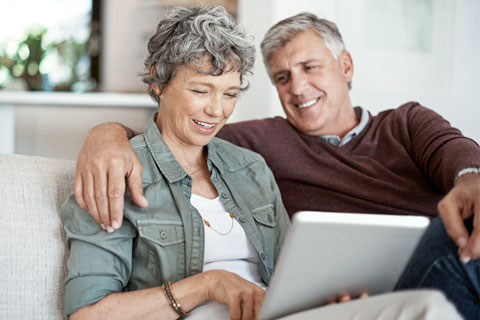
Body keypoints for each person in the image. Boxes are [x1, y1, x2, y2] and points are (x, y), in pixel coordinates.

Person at [72, 9, 479, 319]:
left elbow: (455, 151)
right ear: (158, 81)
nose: (217, 111)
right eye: (201, 90)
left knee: (427, 303)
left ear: (345, 67)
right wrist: (105, 134)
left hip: (295, 312)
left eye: (230, 94)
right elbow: (87, 312)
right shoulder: (117, 173)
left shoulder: (249, 165)